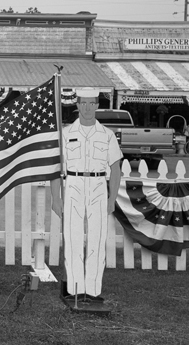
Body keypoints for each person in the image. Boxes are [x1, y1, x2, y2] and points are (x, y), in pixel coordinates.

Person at [50, 87, 122, 302]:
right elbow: (55, 168)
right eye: (84, 103)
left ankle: (92, 290)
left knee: (97, 239)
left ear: (98, 106)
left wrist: (112, 198)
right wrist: (56, 198)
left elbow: (116, 168)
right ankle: (74, 289)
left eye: (92, 103)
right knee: (72, 238)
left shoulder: (107, 135)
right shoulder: (66, 134)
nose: (88, 108)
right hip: (73, 184)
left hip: (99, 185)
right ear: (77, 105)